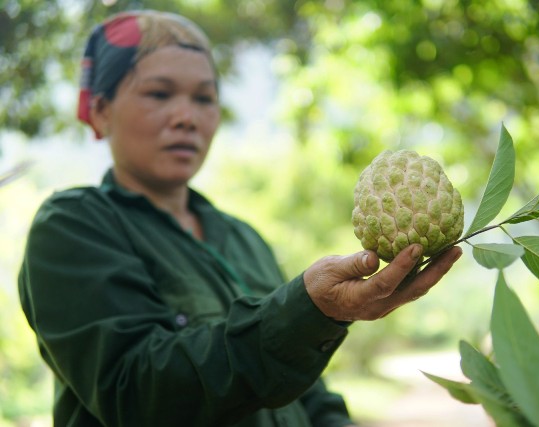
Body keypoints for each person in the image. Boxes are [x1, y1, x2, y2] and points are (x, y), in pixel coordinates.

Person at [17, 10, 462, 427]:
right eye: (159, 93)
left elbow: (308, 398)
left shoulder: (242, 237)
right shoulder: (73, 226)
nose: (187, 118)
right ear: (100, 110)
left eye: (204, 98)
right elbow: (134, 391)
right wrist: (307, 312)